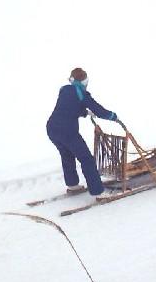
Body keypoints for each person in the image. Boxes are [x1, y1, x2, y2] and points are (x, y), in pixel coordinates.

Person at [46, 67, 118, 196]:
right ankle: (98, 192)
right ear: (84, 82)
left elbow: (69, 106)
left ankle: (73, 185)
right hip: (67, 132)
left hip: (52, 128)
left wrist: (85, 112)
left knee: (67, 154)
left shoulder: (65, 90)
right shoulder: (82, 94)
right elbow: (99, 110)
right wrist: (113, 116)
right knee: (87, 159)